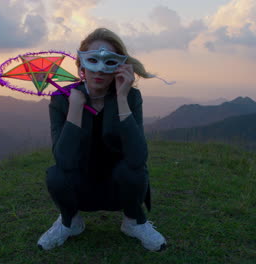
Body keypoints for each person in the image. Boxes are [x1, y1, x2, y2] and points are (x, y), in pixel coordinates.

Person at [37, 28, 167, 251]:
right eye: (92, 60)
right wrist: (76, 107)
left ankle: (134, 222)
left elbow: (138, 158)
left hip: (119, 186)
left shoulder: (131, 96)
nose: (99, 70)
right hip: (81, 185)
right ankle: (71, 223)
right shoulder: (61, 99)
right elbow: (64, 161)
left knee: (134, 171)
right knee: (56, 176)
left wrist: (122, 99)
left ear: (120, 66)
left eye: (109, 62)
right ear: (81, 66)